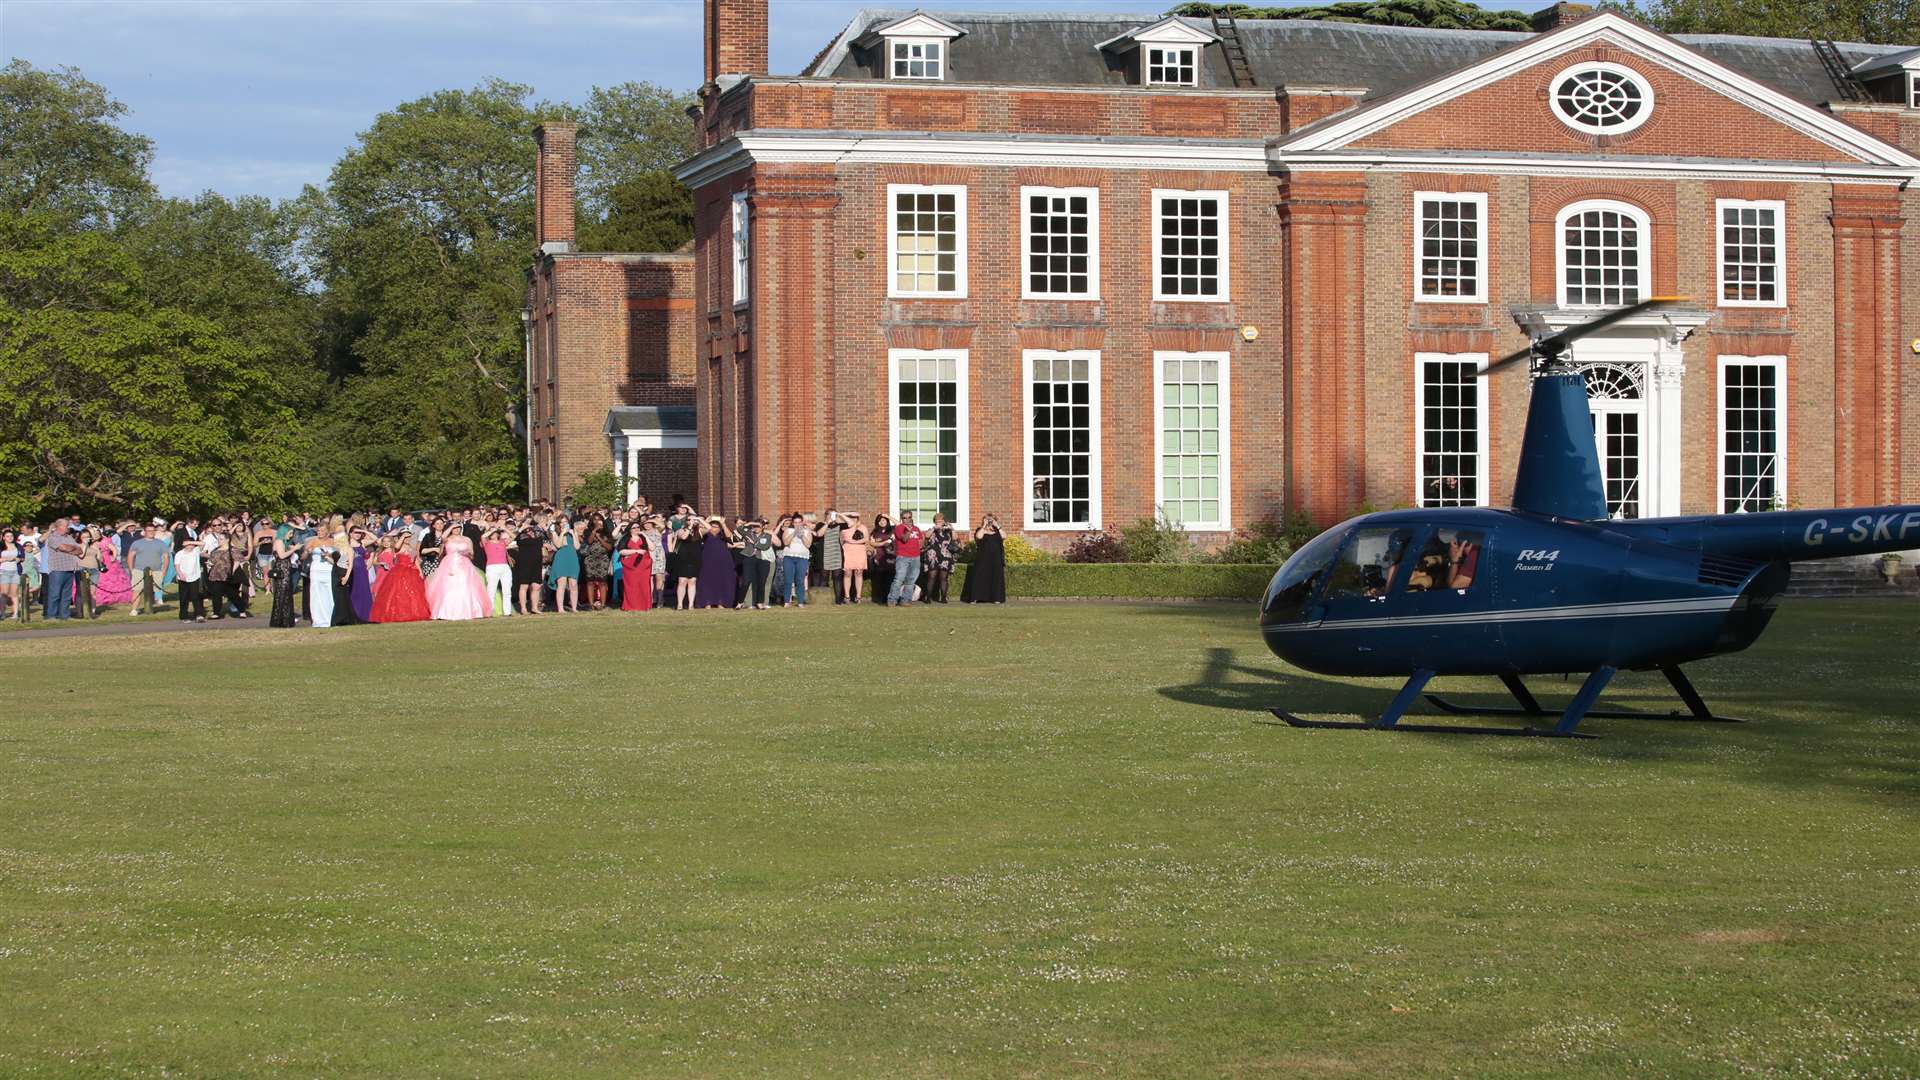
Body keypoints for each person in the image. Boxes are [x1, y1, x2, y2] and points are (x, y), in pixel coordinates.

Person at [425, 531, 491, 620]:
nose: (456, 529)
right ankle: (445, 612)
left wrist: (466, 554)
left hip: (464, 565)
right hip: (449, 564)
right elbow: (442, 539)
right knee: (449, 587)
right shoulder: (447, 539)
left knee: (465, 586)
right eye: (454, 528)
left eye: (458, 527)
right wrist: (451, 526)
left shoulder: (466, 539)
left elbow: (472, 555)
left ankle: (468, 611)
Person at [369, 535, 430, 623]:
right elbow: (378, 553)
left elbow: (414, 559)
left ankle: (407, 612)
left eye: (408, 537)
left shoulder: (403, 549)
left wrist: (419, 570)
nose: (407, 539)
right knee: (384, 593)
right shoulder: (390, 549)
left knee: (405, 593)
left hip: (401, 572)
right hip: (389, 572)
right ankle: (387, 612)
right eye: (405, 537)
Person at [962, 513, 1007, 603]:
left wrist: (997, 525)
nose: (989, 521)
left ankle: (996, 598)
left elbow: (1004, 536)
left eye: (991, 519)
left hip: (996, 558)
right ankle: (975, 597)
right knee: (979, 576)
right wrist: (984, 525)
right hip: (983, 558)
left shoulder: (997, 530)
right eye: (987, 519)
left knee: (996, 577)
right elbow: (979, 536)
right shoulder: (980, 530)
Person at [42, 518, 81, 620]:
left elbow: (79, 550)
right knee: (55, 594)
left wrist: (70, 548)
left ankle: (64, 615)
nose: (68, 528)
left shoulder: (69, 537)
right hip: (57, 569)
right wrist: (71, 548)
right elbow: (63, 547)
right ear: (59, 526)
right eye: (66, 526)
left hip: (70, 568)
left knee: (66, 595)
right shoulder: (52, 537)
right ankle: (51, 615)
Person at [695, 516, 737, 609]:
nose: (714, 528)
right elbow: (702, 530)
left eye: (716, 527)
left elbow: (730, 537)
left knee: (722, 581)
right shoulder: (705, 533)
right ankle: (707, 602)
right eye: (712, 526)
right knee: (707, 581)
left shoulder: (722, 535)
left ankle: (722, 602)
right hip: (708, 560)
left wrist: (723, 524)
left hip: (723, 561)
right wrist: (706, 521)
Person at [888, 510, 924, 607]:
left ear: (912, 518)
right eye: (904, 518)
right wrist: (908, 530)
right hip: (903, 557)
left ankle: (905, 600)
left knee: (911, 580)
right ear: (901, 519)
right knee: (899, 579)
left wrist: (920, 544)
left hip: (915, 557)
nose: (907, 519)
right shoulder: (899, 528)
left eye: (909, 517)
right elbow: (904, 539)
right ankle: (892, 600)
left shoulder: (916, 528)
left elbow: (920, 540)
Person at [776, 513, 813, 607]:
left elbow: (808, 545)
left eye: (799, 522)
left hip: (802, 558)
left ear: (802, 522)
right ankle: (787, 601)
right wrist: (794, 533)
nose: (797, 524)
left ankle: (800, 602)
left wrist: (802, 536)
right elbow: (786, 542)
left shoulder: (807, 531)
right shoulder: (788, 530)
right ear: (793, 523)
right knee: (788, 580)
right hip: (789, 557)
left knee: (800, 581)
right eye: (795, 522)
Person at [735, 518, 772, 609]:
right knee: (746, 581)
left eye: (758, 526)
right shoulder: (748, 533)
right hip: (749, 558)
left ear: (763, 527)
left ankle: (760, 602)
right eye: (754, 526)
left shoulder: (767, 535)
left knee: (761, 582)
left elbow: (764, 547)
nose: (756, 528)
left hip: (762, 559)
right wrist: (750, 522)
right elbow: (739, 529)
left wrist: (753, 543)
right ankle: (740, 602)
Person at [512, 520, 546, 615]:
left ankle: (534, 608)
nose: (530, 531)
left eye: (531, 529)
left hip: (536, 563)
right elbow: (513, 538)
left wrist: (542, 527)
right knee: (524, 586)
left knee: (536, 586)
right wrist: (520, 529)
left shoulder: (538, 536)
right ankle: (523, 608)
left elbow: (546, 536)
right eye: (527, 530)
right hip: (524, 564)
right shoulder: (521, 538)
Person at [922, 512, 957, 604]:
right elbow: (926, 536)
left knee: (943, 577)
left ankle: (944, 597)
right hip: (933, 556)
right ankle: (928, 597)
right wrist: (934, 528)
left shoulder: (948, 530)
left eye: (941, 521)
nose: (940, 523)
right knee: (931, 576)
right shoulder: (932, 529)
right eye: (937, 521)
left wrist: (952, 529)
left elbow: (955, 538)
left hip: (945, 555)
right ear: (934, 522)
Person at [547, 519, 581, 613]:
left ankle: (574, 608)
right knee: (561, 584)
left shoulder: (572, 532)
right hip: (561, 559)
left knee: (573, 584)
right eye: (561, 522)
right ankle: (561, 608)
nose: (564, 523)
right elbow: (558, 545)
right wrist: (562, 533)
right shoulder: (555, 533)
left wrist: (574, 534)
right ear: (559, 524)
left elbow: (577, 547)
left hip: (572, 559)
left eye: (565, 521)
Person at [266, 539, 300, 628]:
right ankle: (280, 620)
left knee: (286, 594)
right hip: (282, 570)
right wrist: (293, 549)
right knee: (282, 594)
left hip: (286, 569)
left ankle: (286, 618)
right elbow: (281, 556)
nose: (291, 535)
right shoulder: (279, 541)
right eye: (290, 532)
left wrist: (292, 549)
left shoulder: (286, 542)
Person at [617, 528, 653, 612]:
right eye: (634, 527)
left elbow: (652, 548)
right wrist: (636, 551)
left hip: (644, 565)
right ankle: (630, 606)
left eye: (638, 527)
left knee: (644, 585)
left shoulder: (643, 537)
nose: (636, 529)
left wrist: (645, 536)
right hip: (630, 565)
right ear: (630, 529)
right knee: (631, 585)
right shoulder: (625, 538)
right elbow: (621, 551)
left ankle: (644, 606)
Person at [669, 518, 702, 610]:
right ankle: (680, 604)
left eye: (693, 519)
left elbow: (709, 528)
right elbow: (683, 537)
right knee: (682, 581)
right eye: (689, 519)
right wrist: (690, 527)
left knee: (692, 581)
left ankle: (691, 604)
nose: (691, 521)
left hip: (695, 559)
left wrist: (699, 520)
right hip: (683, 558)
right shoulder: (680, 530)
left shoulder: (699, 531)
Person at [581, 517, 613, 610]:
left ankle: (603, 604)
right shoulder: (587, 532)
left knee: (602, 582)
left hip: (603, 559)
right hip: (590, 559)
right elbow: (589, 541)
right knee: (590, 582)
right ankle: (591, 605)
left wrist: (599, 537)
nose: (597, 521)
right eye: (595, 519)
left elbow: (609, 547)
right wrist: (594, 531)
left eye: (599, 519)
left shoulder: (607, 533)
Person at [175, 535, 207, 622]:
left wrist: (190, 542)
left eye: (192, 544)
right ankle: (184, 616)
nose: (190, 546)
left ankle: (199, 614)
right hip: (183, 578)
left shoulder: (195, 551)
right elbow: (177, 566)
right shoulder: (179, 553)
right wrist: (180, 574)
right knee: (184, 598)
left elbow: (203, 543)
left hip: (194, 577)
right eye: (188, 544)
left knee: (195, 597)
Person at [306, 537, 337, 628]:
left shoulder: (333, 541)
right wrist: (308, 551)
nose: (320, 533)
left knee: (330, 594)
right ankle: (318, 619)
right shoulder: (312, 541)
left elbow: (339, 556)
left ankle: (331, 617)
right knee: (317, 595)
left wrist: (329, 555)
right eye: (319, 530)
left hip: (328, 569)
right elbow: (304, 555)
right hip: (316, 570)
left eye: (322, 530)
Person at [840, 513, 869, 605]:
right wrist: (847, 513)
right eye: (851, 518)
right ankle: (847, 596)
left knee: (859, 572)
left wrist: (854, 542)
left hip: (859, 550)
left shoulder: (862, 527)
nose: (853, 519)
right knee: (847, 572)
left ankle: (858, 596)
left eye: (855, 518)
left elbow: (866, 539)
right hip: (848, 550)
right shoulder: (844, 527)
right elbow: (840, 540)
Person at [483, 528, 514, 616]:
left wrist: (504, 529)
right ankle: (489, 612)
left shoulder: (502, 541)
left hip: (505, 567)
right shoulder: (486, 543)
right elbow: (483, 536)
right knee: (491, 590)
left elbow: (513, 536)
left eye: (495, 533)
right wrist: (492, 529)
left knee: (507, 590)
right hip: (492, 567)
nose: (494, 534)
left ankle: (507, 612)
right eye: (492, 533)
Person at [868, 514, 895, 607]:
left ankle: (889, 598)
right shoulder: (875, 532)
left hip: (891, 558)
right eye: (880, 520)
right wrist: (883, 543)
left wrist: (889, 516)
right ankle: (879, 598)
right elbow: (872, 543)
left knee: (890, 580)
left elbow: (900, 525)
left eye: (884, 520)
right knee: (879, 580)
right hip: (879, 558)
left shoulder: (892, 529)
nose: (882, 522)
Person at [348, 528, 374, 623]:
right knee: (354, 592)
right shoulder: (347, 544)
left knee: (364, 591)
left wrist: (365, 531)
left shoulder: (362, 543)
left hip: (363, 570)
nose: (358, 534)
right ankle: (355, 615)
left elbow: (375, 539)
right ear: (350, 534)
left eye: (359, 533)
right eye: (356, 533)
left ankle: (366, 615)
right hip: (352, 571)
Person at [0, 529, 20, 620]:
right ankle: (3, 613)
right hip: (4, 572)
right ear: (3, 537)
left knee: (14, 593)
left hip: (15, 572)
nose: (10, 538)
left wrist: (18, 559)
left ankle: (15, 613)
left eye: (11, 536)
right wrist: (7, 559)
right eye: (7, 536)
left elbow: (21, 557)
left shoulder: (17, 546)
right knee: (4, 594)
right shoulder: (1, 546)